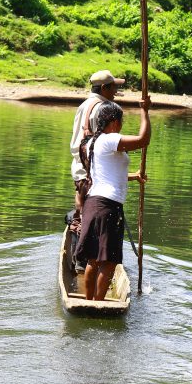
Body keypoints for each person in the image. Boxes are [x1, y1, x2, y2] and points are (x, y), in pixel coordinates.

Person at [74, 97, 150, 301]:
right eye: (121, 120)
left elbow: (106, 174)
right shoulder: (109, 139)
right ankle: (98, 304)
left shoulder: (92, 142)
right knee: (107, 262)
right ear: (114, 121)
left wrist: (133, 176)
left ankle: (89, 302)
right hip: (107, 206)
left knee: (92, 259)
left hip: (93, 204)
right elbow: (143, 140)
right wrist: (145, 111)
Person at [68, 70, 125, 271]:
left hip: (80, 166)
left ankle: (81, 260)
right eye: (114, 87)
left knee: (82, 213)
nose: (117, 91)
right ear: (104, 88)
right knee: (88, 217)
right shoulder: (101, 108)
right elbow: (101, 141)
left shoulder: (85, 104)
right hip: (90, 170)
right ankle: (85, 260)